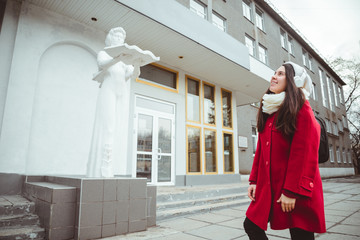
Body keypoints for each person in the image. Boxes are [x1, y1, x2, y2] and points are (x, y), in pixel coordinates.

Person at [243, 62, 326, 240]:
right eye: (274, 73)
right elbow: (261, 151)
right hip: (271, 185)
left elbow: (304, 154)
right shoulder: (270, 109)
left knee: (300, 234)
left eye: (280, 74)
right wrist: (254, 180)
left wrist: (291, 192)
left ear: (293, 81)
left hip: (294, 187)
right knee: (251, 224)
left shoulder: (301, 108)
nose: (274, 76)